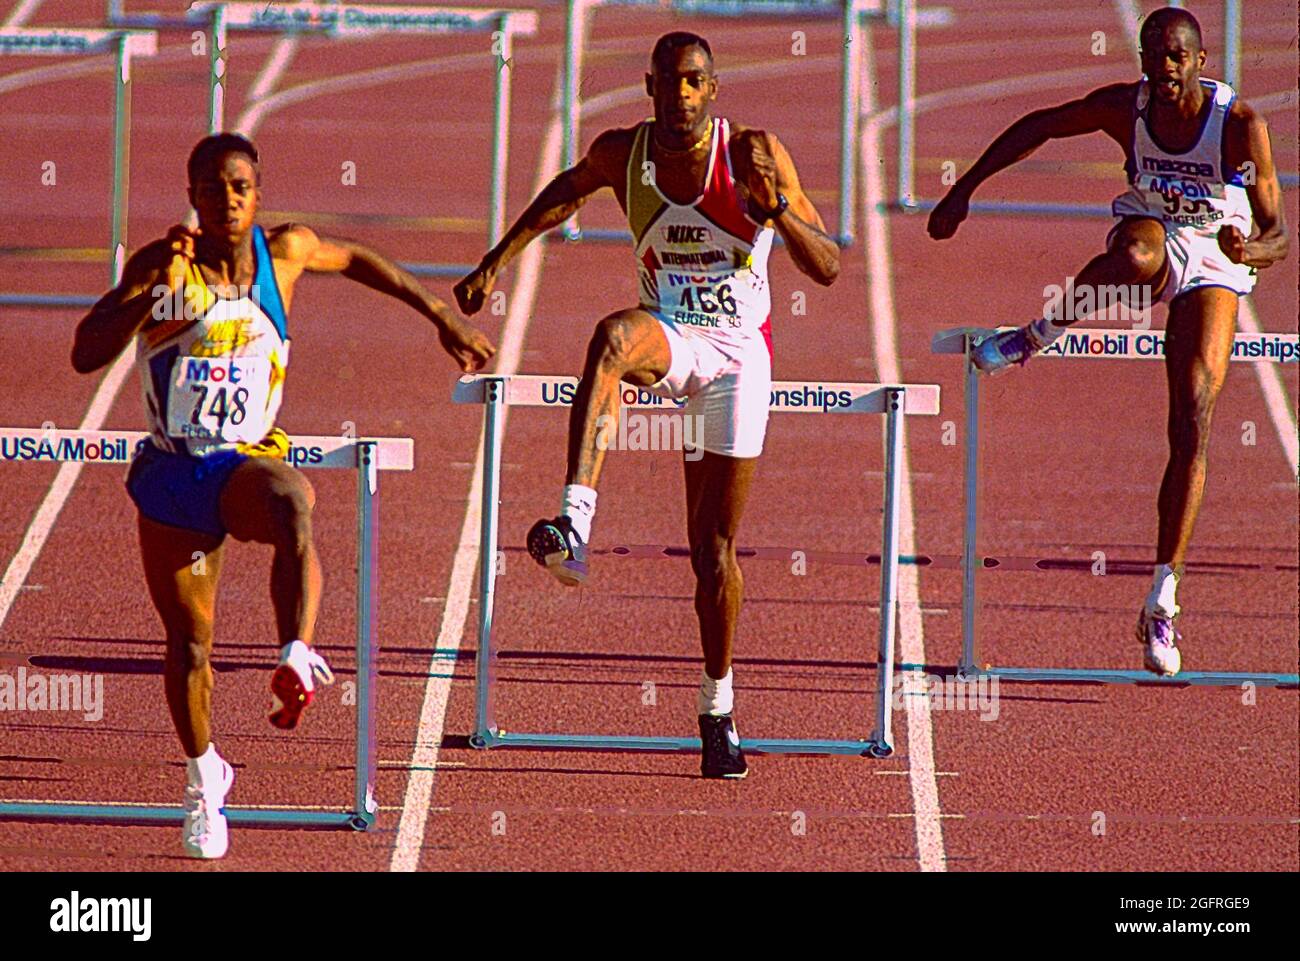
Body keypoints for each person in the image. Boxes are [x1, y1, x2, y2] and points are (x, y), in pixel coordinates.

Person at [71, 133, 495, 858]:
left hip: (244, 463)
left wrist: (440, 315)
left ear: (256, 192)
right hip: (176, 470)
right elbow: (85, 352)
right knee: (190, 646)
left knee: (293, 501)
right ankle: (207, 777)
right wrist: (150, 293)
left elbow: (362, 260)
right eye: (210, 188)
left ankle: (296, 652)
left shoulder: (286, 253)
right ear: (192, 196)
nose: (225, 201)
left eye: (238, 187)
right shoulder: (165, 265)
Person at [454, 33, 839, 778]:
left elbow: (825, 264)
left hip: (736, 356)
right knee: (610, 337)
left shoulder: (754, 152)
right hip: (671, 336)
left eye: (695, 83)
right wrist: (492, 263)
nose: (683, 97)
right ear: (649, 86)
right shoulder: (623, 155)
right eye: (670, 83)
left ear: (714, 89)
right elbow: (560, 196)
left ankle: (717, 706)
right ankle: (573, 521)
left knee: (713, 555)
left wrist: (779, 210)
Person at [926, 7, 1288, 677]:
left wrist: (1252, 247)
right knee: (1134, 253)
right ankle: (1034, 336)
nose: (1164, 67)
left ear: (1202, 62)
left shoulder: (1241, 126)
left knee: (1192, 417)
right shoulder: (1128, 108)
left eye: (1177, 56)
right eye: (1153, 54)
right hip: (1152, 232)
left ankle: (1161, 598)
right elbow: (1038, 126)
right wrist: (964, 190)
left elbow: (1280, 234)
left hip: (1218, 256)